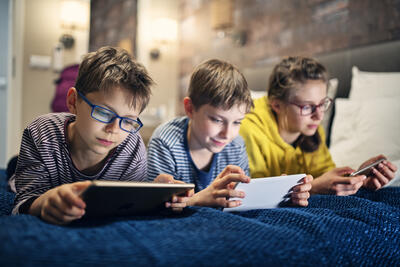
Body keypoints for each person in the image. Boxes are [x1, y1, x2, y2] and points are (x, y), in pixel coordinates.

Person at [10, 46, 187, 224]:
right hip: (39, 169)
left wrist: (155, 195)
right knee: (14, 175)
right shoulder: (41, 133)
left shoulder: (132, 147)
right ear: (73, 102)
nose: (114, 129)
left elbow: (127, 206)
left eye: (127, 121)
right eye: (103, 113)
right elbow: (23, 203)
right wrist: (44, 203)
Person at [147, 59, 313, 208]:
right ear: (190, 108)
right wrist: (197, 199)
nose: (227, 134)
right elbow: (155, 205)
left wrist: (282, 194)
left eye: (237, 122)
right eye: (217, 120)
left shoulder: (236, 144)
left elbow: (240, 197)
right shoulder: (165, 142)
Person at [240, 56, 398, 196]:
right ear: (277, 105)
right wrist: (314, 188)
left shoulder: (312, 130)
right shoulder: (247, 130)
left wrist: (359, 179)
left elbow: (324, 175)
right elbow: (252, 194)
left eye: (323, 104)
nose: (319, 116)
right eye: (307, 107)